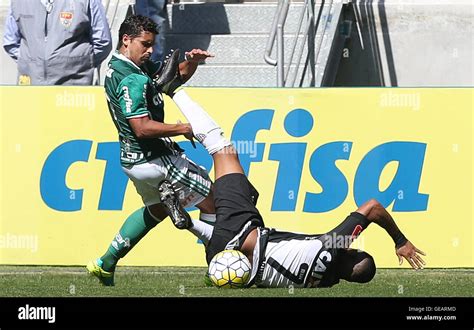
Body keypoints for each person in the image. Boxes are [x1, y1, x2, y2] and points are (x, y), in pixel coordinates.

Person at [159, 82, 427, 288]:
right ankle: (191, 222)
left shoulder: (332, 245)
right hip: (226, 265)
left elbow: (373, 207)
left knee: (223, 150)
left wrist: (400, 240)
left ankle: (173, 90)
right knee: (226, 200)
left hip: (241, 232)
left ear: (351, 250)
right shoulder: (322, 283)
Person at [86, 15, 215, 286]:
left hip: (132, 161)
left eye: (152, 45)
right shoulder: (132, 78)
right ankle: (218, 269)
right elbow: (142, 128)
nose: (150, 51)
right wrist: (181, 128)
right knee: (214, 200)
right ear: (126, 40)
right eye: (145, 44)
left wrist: (191, 62)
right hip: (155, 158)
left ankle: (105, 262)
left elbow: (170, 78)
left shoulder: (127, 66)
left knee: (156, 209)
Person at [3, 0, 112, 85]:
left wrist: (79, 64)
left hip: (73, 91)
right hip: (31, 88)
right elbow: (10, 41)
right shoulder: (19, 2)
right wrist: (32, 62)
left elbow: (103, 42)